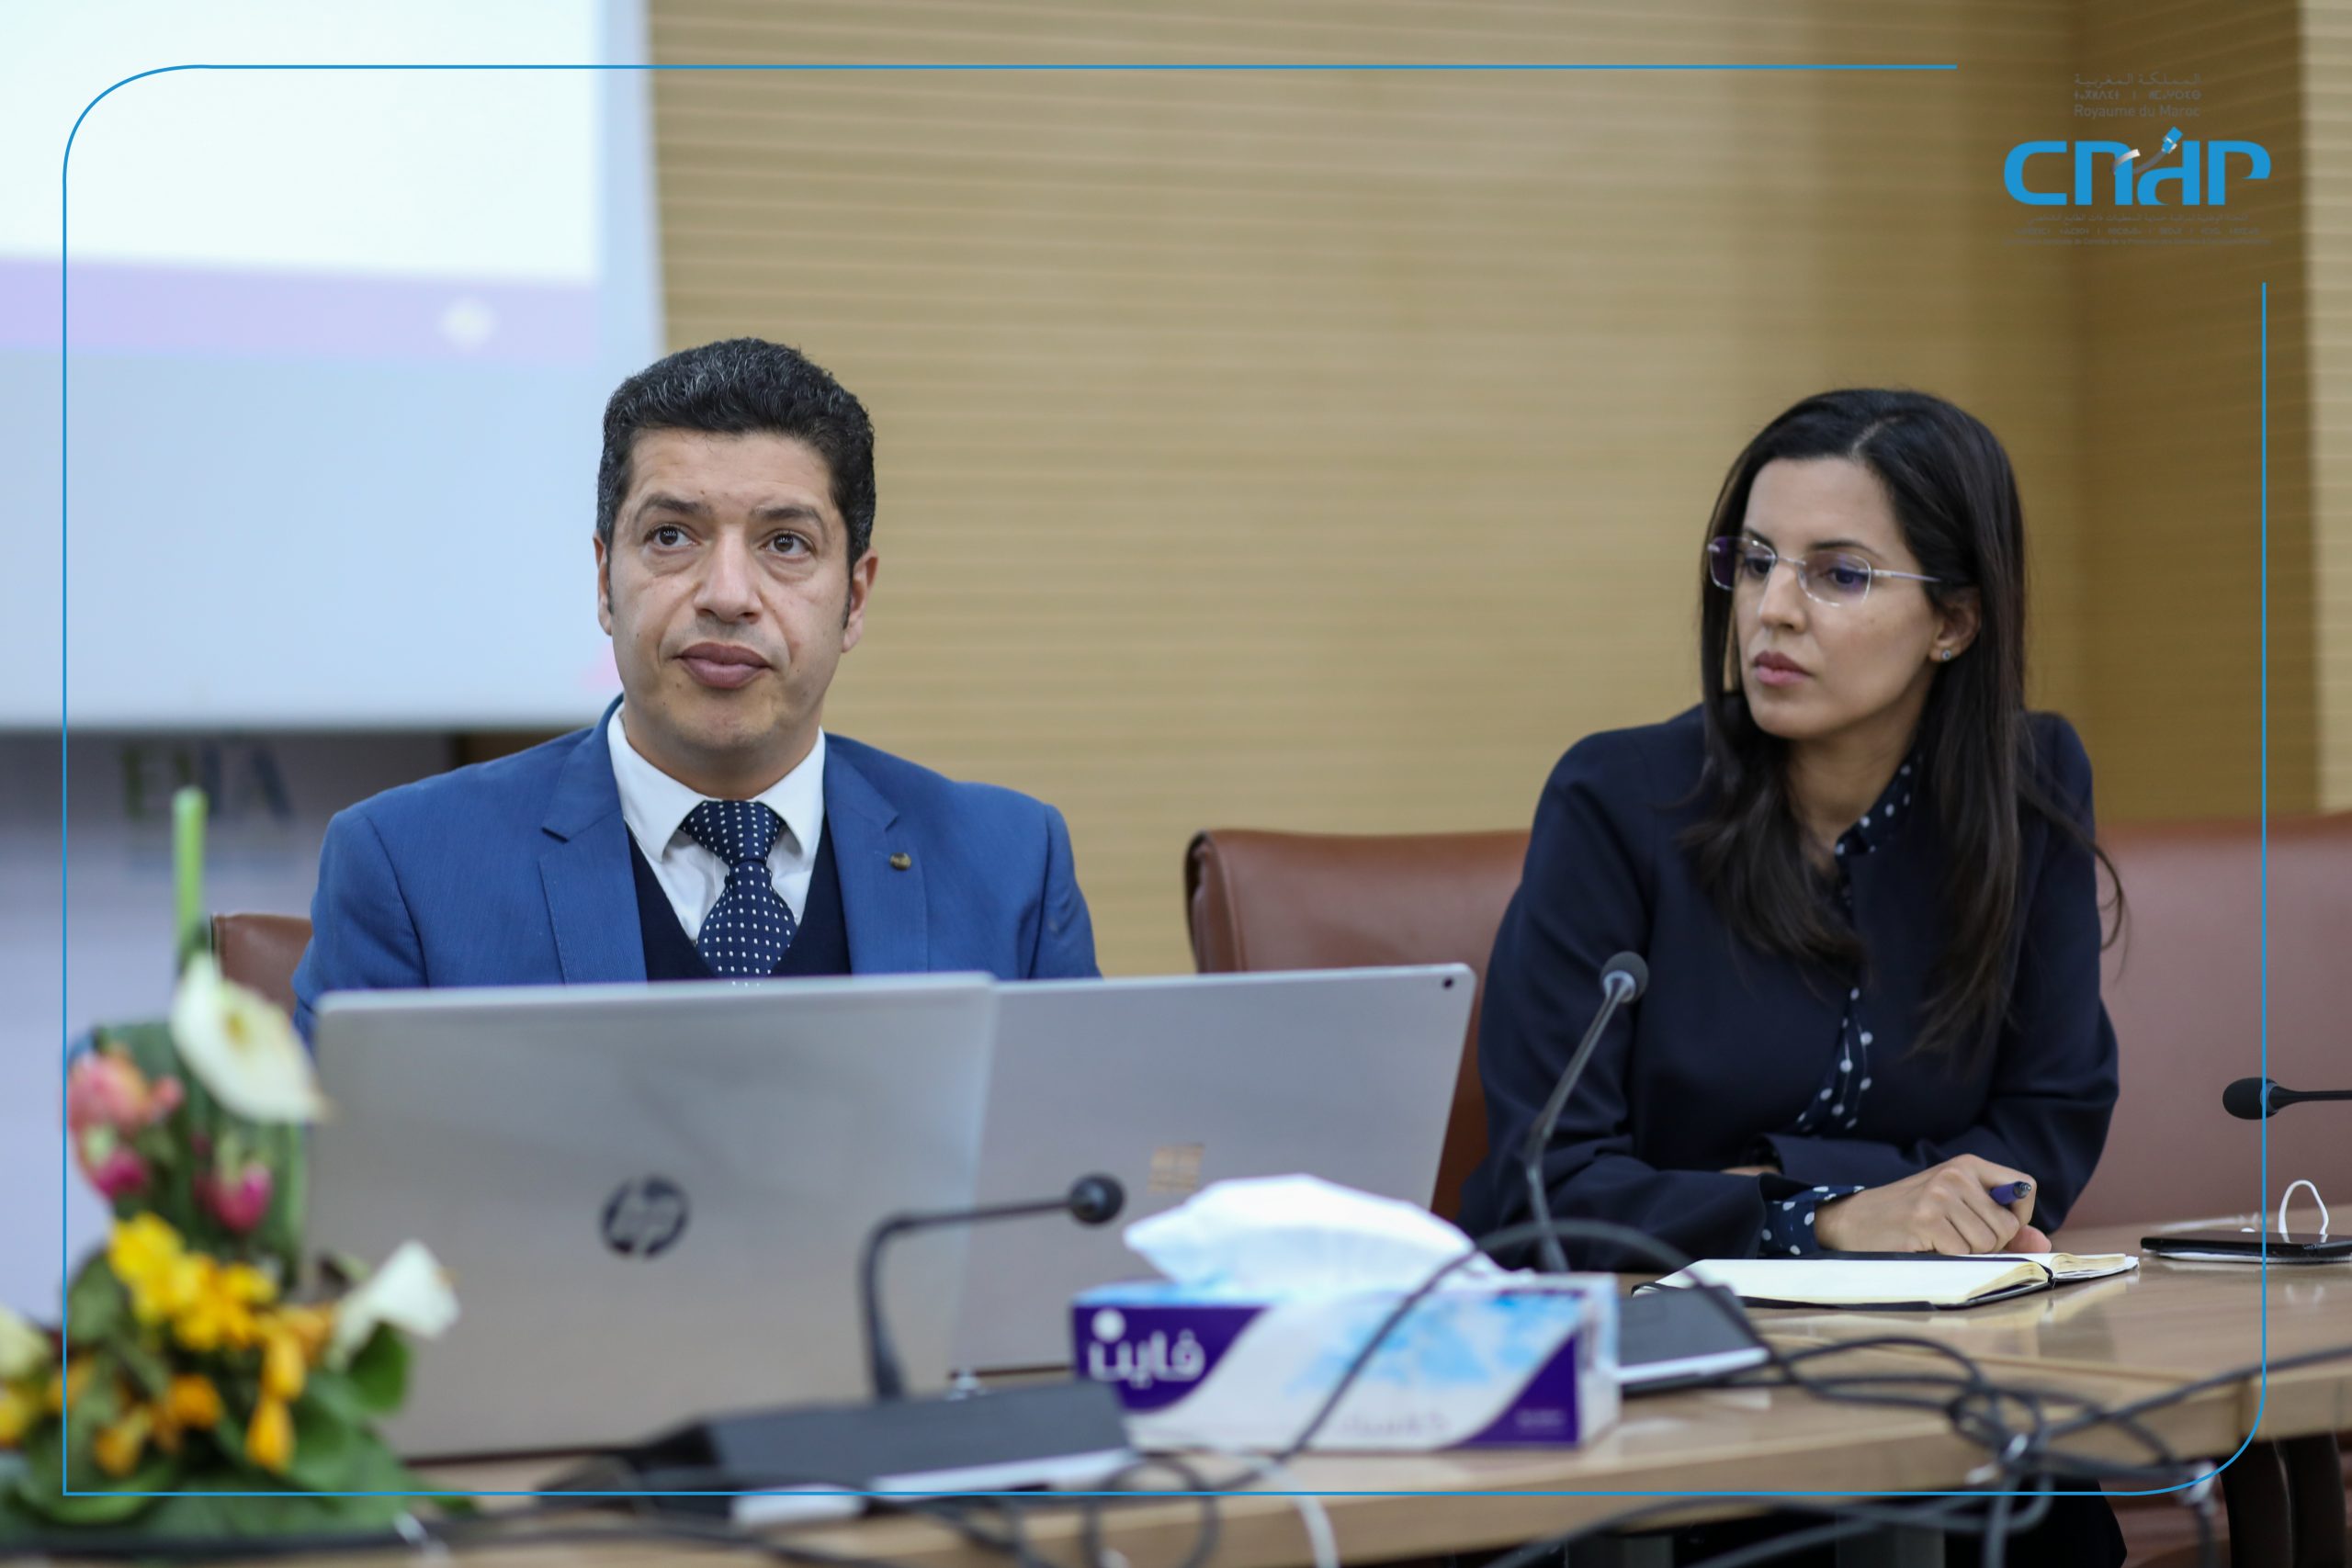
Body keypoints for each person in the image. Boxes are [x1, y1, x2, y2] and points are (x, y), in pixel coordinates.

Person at [1461, 388, 2125, 1564]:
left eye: (1838, 574)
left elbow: (2049, 1119)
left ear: (1955, 621)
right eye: (1756, 560)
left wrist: (1812, 1197)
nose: (1772, 608)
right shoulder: (1618, 803)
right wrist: (1828, 1217)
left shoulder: (2025, 789)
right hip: (1675, 1399)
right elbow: (1539, 1189)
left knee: (2027, 1497)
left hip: (1943, 1370)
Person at [292, 338, 1096, 1038]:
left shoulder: (1010, 864)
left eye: (786, 543)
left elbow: (1081, 1150)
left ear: (854, 598)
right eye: (672, 535)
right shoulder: (408, 867)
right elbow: (342, 1166)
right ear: (605, 581)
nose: (728, 595)